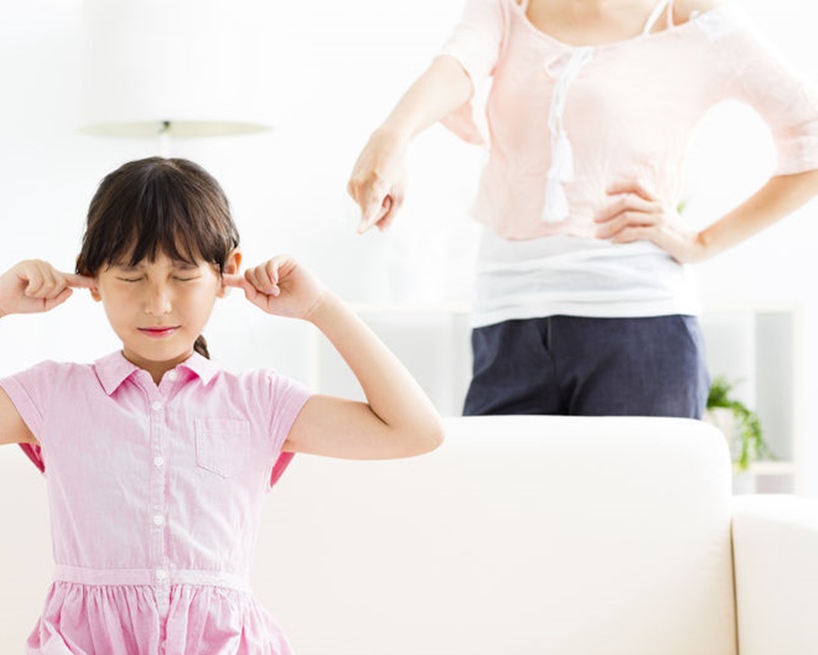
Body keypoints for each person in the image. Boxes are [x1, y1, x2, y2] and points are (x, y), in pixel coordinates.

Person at [0, 157, 443, 655]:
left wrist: (320, 308)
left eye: (184, 275)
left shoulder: (258, 402)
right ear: (91, 278)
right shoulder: (55, 396)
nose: (158, 303)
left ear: (226, 274)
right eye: (131, 276)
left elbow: (414, 431)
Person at [347, 0, 818, 418]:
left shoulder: (690, 18)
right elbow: (458, 64)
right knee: (498, 491)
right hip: (506, 321)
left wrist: (702, 243)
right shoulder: (508, 8)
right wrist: (393, 134)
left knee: (640, 496)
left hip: (638, 324)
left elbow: (809, 137)